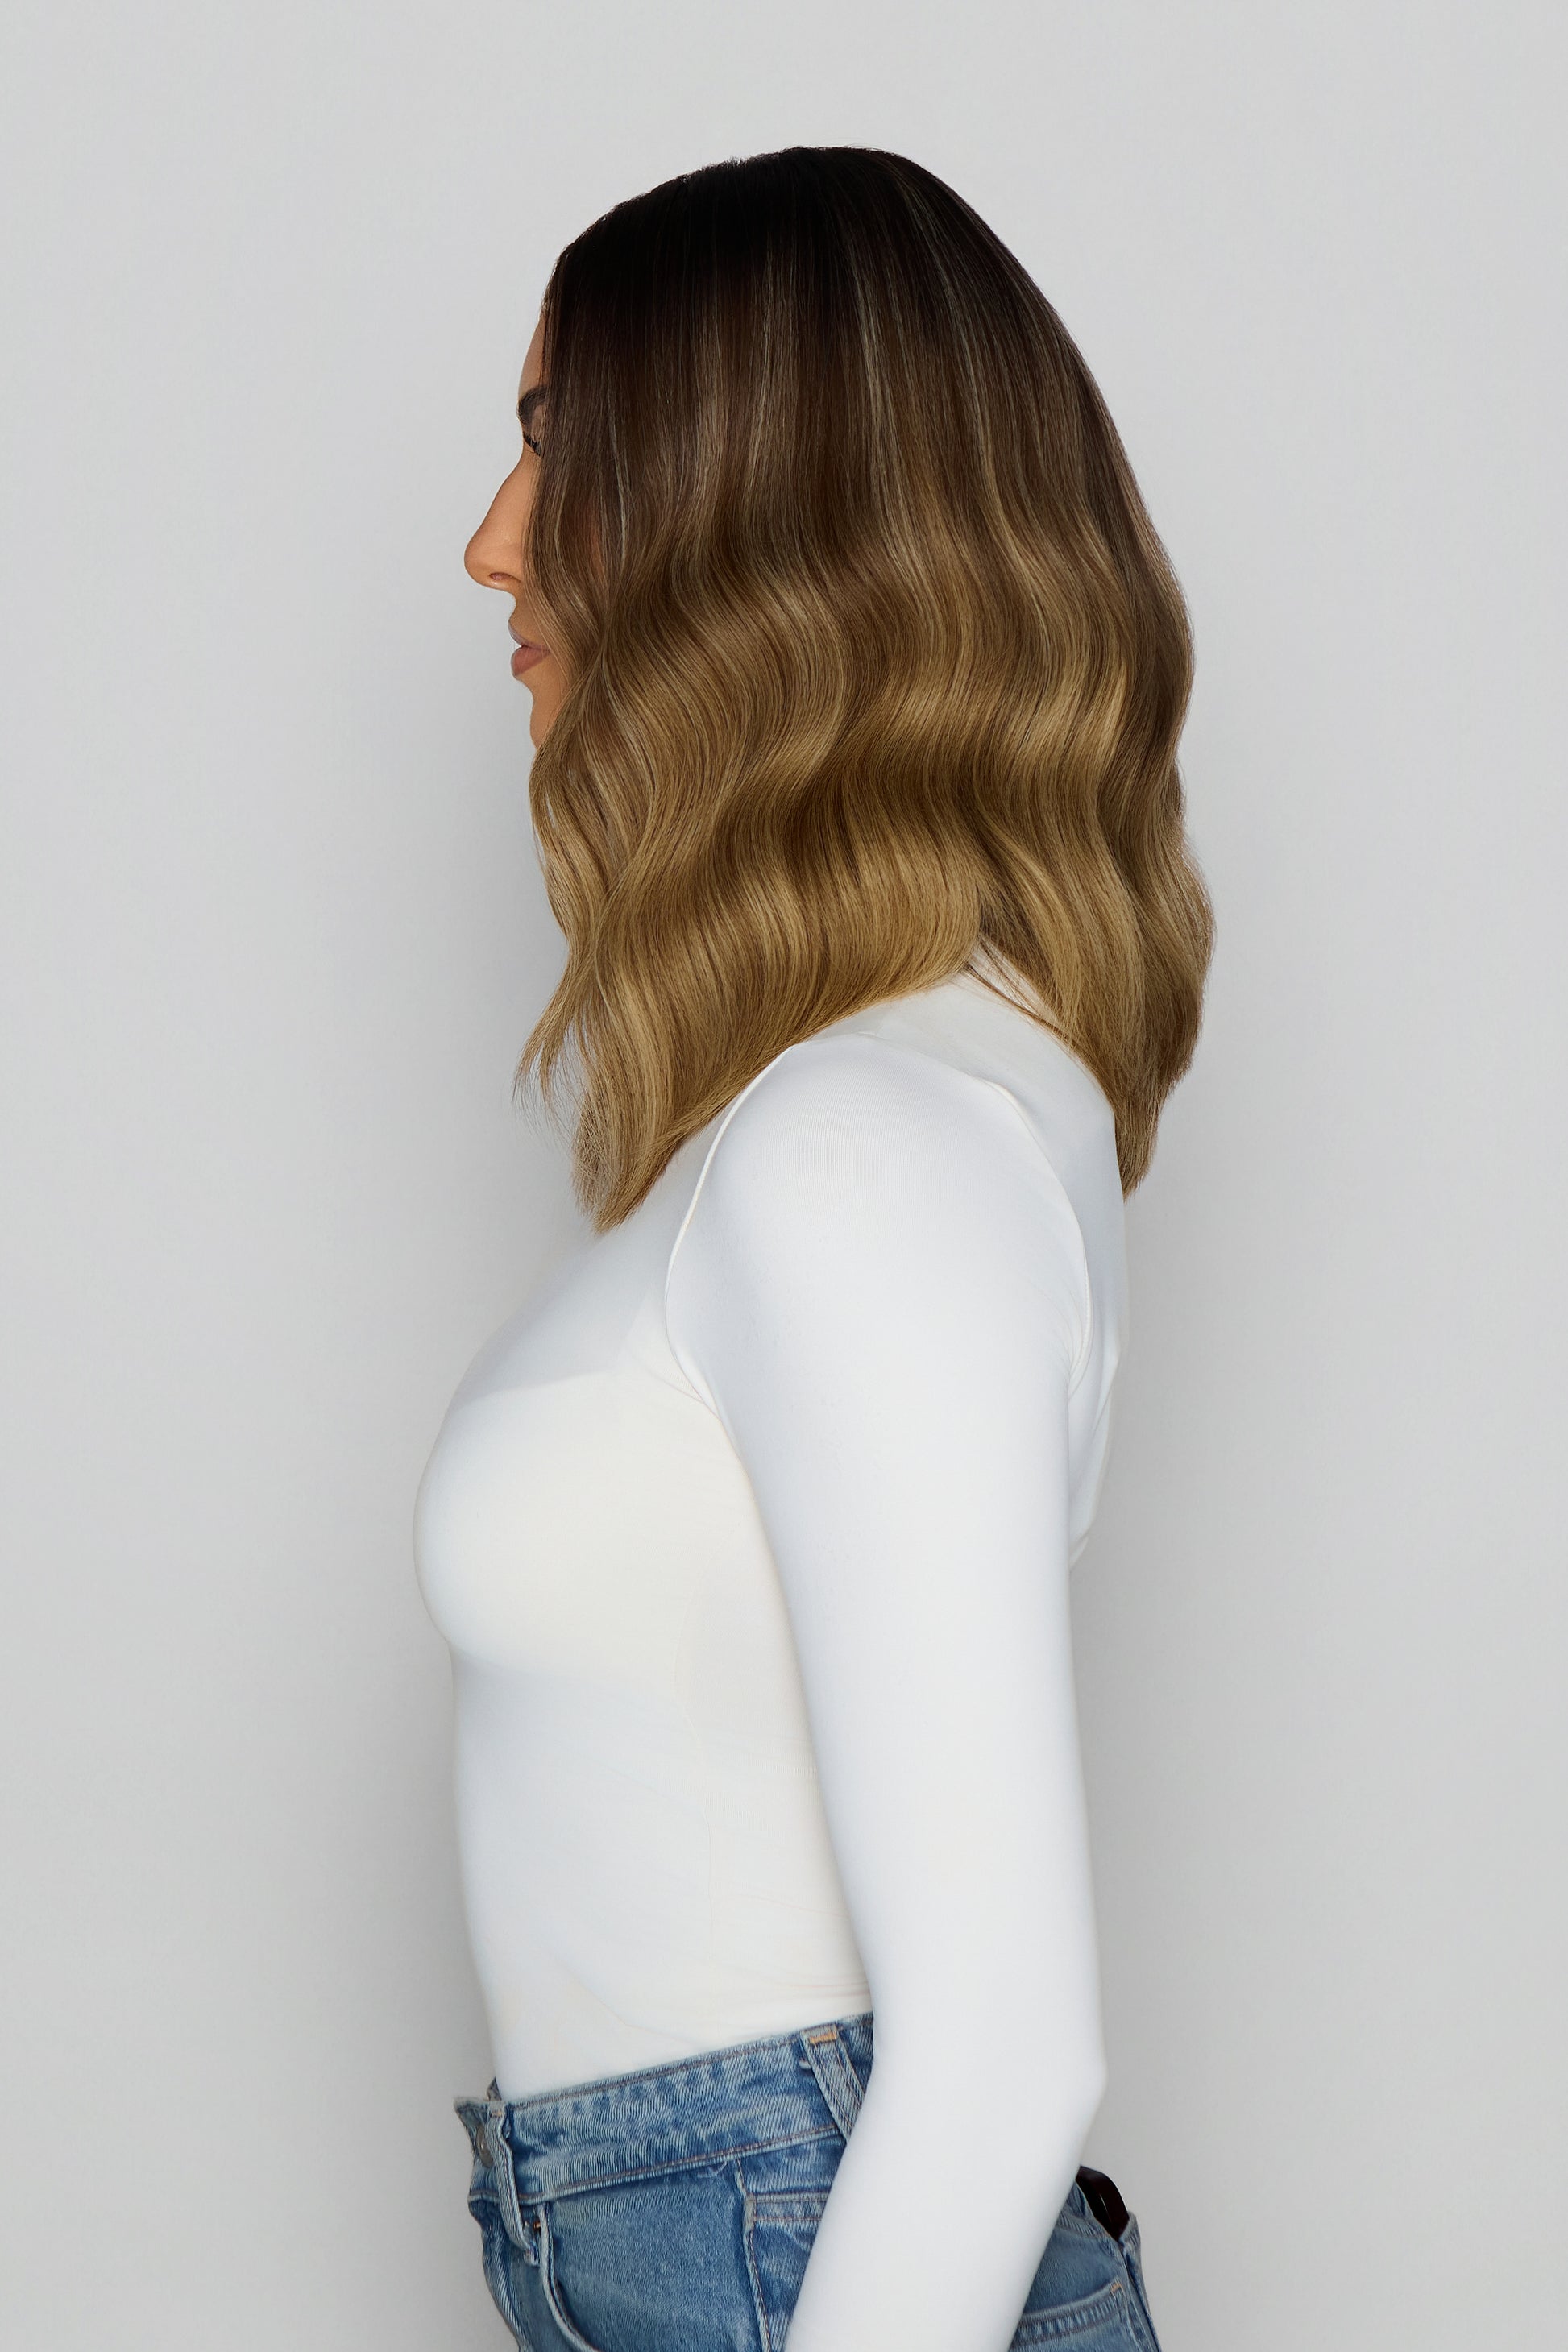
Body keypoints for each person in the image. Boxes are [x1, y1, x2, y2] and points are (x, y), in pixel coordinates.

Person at [417, 144, 1212, 2352]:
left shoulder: (867, 1147)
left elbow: (1002, 2056)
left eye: (559, 447)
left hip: (800, 2253)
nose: (491, 541)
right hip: (720, 2243)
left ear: (758, 520)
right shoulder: (876, 1102)